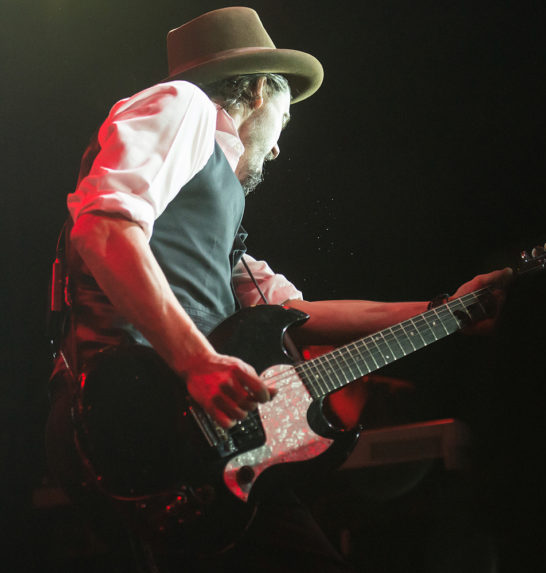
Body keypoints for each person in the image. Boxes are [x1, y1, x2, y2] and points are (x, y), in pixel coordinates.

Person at [46, 6, 511, 572]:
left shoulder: (208, 208)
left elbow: (293, 313)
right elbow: (103, 227)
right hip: (135, 408)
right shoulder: (184, 105)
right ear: (260, 91)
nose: (276, 150)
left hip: (182, 440)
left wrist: (452, 310)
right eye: (284, 122)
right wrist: (198, 362)